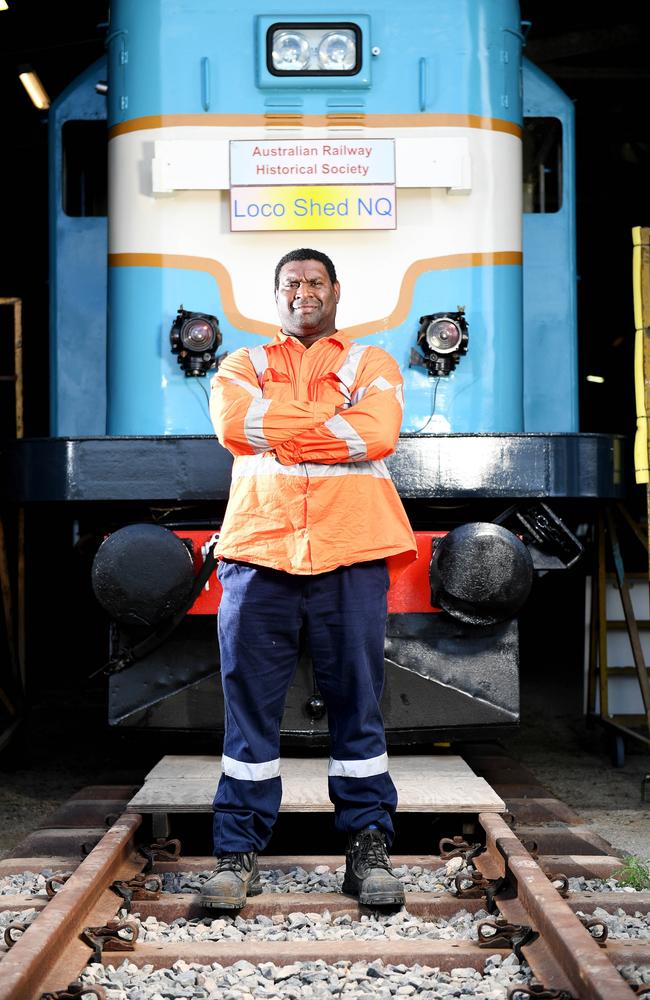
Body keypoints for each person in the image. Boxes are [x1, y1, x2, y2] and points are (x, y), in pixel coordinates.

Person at [202, 248, 417, 910]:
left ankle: (368, 850)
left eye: (315, 282)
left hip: (349, 554)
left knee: (358, 707)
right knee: (249, 715)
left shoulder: (371, 363)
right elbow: (235, 424)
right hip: (260, 552)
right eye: (291, 283)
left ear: (335, 291)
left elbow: (377, 433)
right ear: (276, 296)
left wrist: (281, 433)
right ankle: (238, 855)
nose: (304, 292)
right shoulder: (241, 364)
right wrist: (331, 425)